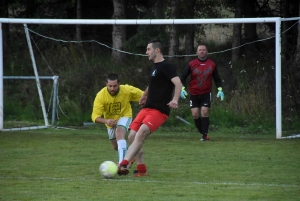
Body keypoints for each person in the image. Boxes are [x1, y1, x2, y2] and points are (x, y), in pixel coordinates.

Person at [117, 39, 182, 176]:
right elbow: (152, 84)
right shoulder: (154, 67)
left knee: (140, 134)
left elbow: (178, 83)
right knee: (132, 136)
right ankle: (142, 170)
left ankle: (124, 163)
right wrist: (144, 95)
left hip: (159, 110)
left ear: (157, 50)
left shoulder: (167, 66)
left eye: (148, 49)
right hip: (147, 108)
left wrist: (175, 100)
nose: (146, 52)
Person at [91, 73, 144, 165]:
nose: (112, 88)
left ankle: (121, 164)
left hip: (125, 115)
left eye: (115, 86)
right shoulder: (100, 96)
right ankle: (131, 155)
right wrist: (106, 121)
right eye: (110, 86)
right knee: (116, 147)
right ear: (106, 84)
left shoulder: (127, 90)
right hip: (109, 121)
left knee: (119, 133)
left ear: (119, 84)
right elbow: (95, 117)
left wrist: (145, 101)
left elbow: (144, 96)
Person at [180, 45, 224, 141]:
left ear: (207, 52)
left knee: (204, 111)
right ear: (197, 52)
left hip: (206, 93)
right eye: (200, 50)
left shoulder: (212, 64)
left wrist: (220, 89)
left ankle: (204, 135)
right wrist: (182, 88)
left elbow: (217, 79)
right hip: (194, 93)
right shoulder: (191, 64)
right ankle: (203, 133)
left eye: (204, 50)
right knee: (195, 114)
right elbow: (183, 77)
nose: (202, 51)